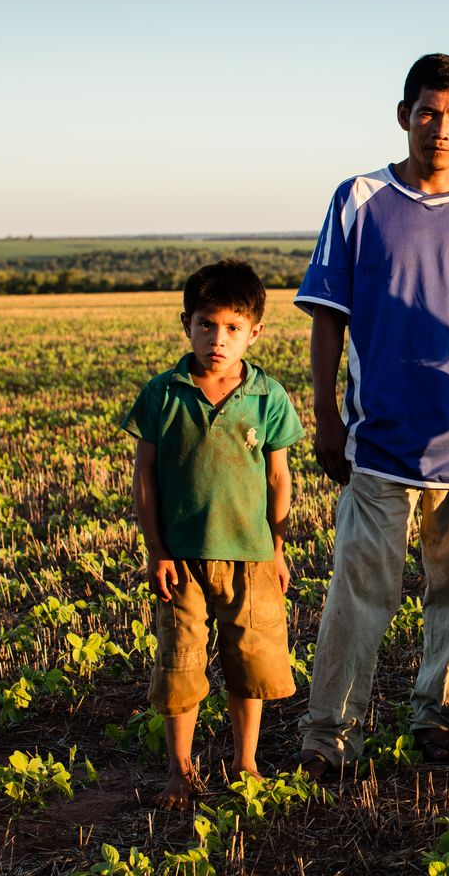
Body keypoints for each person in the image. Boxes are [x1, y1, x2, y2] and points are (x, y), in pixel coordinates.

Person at [294, 53, 449, 774]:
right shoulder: (359, 198)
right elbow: (327, 319)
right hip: (378, 440)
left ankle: (441, 720)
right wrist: (326, 417)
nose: (441, 128)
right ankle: (329, 734)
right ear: (405, 115)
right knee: (357, 593)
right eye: (428, 112)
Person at [121, 259, 304, 810]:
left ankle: (245, 761)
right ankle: (180, 770)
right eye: (206, 325)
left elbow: (279, 478)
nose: (218, 340)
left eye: (232, 328)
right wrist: (156, 550)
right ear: (186, 325)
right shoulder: (163, 393)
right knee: (180, 664)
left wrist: (276, 547)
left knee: (251, 662)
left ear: (255, 332)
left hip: (250, 558)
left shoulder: (268, 396)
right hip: (181, 560)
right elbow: (145, 476)